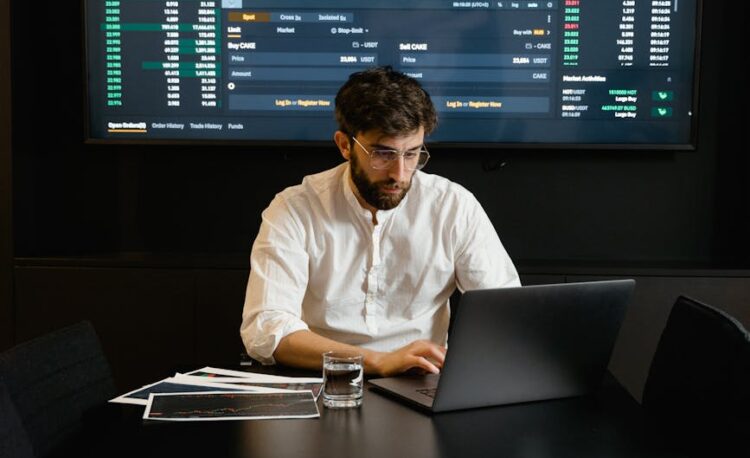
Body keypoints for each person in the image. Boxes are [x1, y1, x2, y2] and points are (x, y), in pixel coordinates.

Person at [240, 66, 519, 377]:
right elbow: (265, 330)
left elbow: (506, 313)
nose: (399, 174)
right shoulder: (294, 208)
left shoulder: (453, 205)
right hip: (321, 380)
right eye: (383, 154)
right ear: (345, 145)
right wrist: (376, 361)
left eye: (412, 154)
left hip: (423, 381)